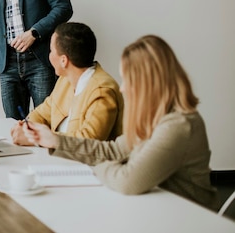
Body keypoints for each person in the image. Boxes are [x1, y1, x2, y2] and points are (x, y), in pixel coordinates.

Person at [23, 35, 218, 210]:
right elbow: (113, 151)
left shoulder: (178, 125)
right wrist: (55, 141)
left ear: (148, 84)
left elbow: (127, 180)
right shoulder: (155, 118)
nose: (122, 89)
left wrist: (95, 167)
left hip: (187, 218)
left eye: (127, 81)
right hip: (157, 209)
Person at [10, 22, 123, 145]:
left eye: (51, 51)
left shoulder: (102, 91)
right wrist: (27, 129)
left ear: (64, 60)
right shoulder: (65, 80)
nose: (49, 55)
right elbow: (41, 114)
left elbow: (90, 142)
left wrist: (38, 138)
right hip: (60, 161)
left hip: (86, 164)